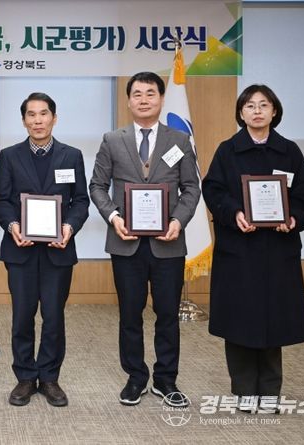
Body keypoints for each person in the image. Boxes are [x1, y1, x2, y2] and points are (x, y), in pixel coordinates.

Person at [202, 84, 304, 413]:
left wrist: (293, 218)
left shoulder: (289, 151)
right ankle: (243, 392)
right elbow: (213, 190)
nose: (257, 111)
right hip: (239, 250)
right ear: (241, 113)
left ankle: (270, 392)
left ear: (274, 111)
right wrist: (234, 213)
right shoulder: (227, 150)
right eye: (250, 105)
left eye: (263, 105)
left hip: (278, 251)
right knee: (239, 321)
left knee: (273, 320)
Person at [89, 72, 200, 407]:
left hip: (168, 243)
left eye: (150, 93)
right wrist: (114, 217)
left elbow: (191, 188)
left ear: (161, 99)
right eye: (137, 94)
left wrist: (178, 221)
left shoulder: (180, 140)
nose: (143, 99)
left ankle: (166, 380)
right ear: (128, 101)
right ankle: (135, 377)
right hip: (126, 242)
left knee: (167, 315)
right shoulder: (113, 140)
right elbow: (97, 186)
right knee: (129, 314)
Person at [0, 92, 89, 407]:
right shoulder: (9, 156)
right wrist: (12, 226)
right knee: (22, 316)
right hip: (20, 250)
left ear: (54, 118)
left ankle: (49, 378)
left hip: (58, 251)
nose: (38, 120)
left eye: (43, 114)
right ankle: (24, 377)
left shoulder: (71, 155)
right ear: (24, 121)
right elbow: (1, 200)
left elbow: (81, 200)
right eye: (31, 115)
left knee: (53, 317)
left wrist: (69, 227)